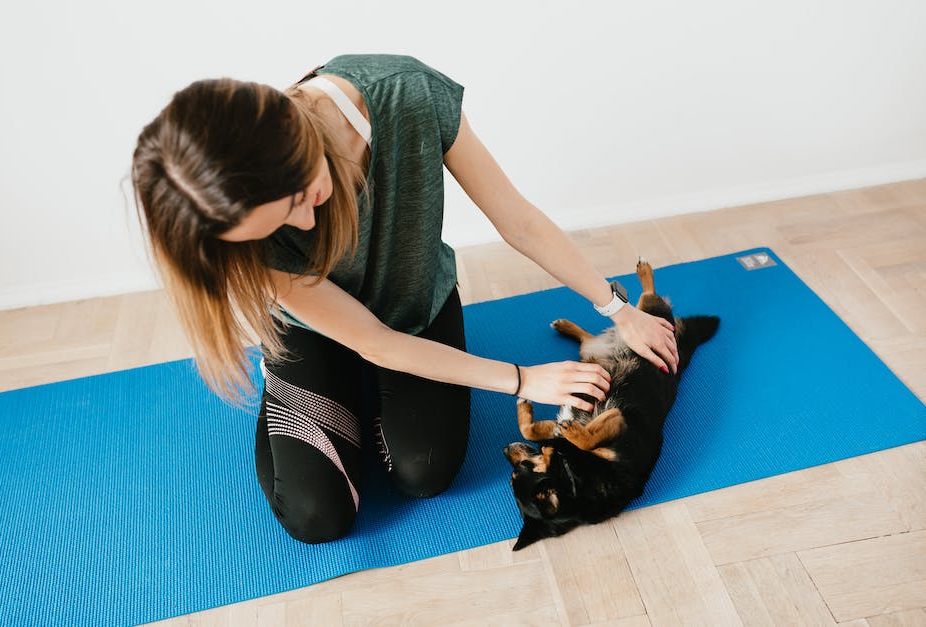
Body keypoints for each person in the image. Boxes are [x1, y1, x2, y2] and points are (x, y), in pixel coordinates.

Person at [131, 54, 678, 544]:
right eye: (278, 225)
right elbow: (372, 341)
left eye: (301, 196)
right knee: (316, 517)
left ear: (295, 139)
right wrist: (522, 378)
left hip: (412, 306)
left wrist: (617, 309)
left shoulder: (409, 92)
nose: (305, 223)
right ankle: (300, 384)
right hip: (328, 329)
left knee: (424, 472)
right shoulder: (242, 224)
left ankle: (348, 398)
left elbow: (518, 220)